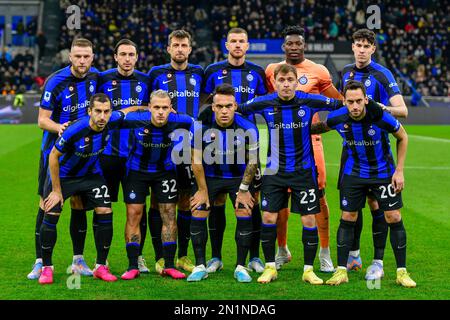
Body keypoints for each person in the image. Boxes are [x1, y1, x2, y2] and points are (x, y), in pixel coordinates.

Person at [239, 64, 346, 284]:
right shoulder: (265, 102)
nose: (286, 84)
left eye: (290, 80)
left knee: (308, 219)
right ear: (275, 82)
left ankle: (308, 270)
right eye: (282, 80)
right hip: (274, 172)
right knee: (269, 217)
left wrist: (328, 125)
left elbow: (340, 105)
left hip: (304, 172)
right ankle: (270, 267)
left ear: (296, 82)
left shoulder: (309, 100)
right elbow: (237, 109)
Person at [310, 80, 416, 288]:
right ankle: (341, 271)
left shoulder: (380, 117)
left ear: (366, 99)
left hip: (383, 172)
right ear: (345, 102)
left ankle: (401, 272)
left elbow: (402, 136)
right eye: (350, 102)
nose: (355, 106)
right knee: (348, 216)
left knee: (393, 216)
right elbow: (320, 128)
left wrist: (400, 171)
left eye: (359, 101)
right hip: (354, 173)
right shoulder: (337, 117)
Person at [38, 93, 140, 284]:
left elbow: (127, 111)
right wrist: (57, 190)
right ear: (89, 111)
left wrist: (147, 107)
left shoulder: (112, 120)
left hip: (91, 175)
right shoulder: (75, 130)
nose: (103, 116)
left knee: (105, 210)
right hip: (65, 175)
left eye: (106, 112)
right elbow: (53, 156)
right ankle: (47, 268)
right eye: (98, 112)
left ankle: (101, 266)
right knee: (51, 212)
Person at [265, 26, 343, 272]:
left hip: (311, 143)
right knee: (280, 197)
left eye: (299, 43)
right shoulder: (271, 71)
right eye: (290, 43)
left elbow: (340, 102)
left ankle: (324, 252)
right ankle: (282, 249)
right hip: (278, 143)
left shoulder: (318, 71)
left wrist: (325, 126)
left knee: (318, 195)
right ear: (284, 46)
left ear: (304, 45)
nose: (295, 47)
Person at [340, 29, 408, 278]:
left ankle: (377, 261)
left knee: (377, 205)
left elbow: (402, 111)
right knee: (351, 208)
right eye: (357, 44)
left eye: (366, 46)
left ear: (372, 49)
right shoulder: (345, 73)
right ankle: (354, 255)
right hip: (351, 154)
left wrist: (381, 107)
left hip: (378, 153)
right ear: (353, 47)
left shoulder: (382, 74)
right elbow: (343, 107)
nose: (361, 49)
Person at [28, 38, 98, 280]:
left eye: (86, 56)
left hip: (83, 155)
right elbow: (41, 120)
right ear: (69, 56)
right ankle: (40, 262)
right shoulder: (55, 81)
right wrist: (60, 127)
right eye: (77, 56)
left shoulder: (95, 77)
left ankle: (78, 260)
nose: (81, 61)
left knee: (79, 204)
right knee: (47, 203)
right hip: (54, 154)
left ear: (92, 57)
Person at [202, 27, 267, 274]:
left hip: (248, 143)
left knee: (252, 202)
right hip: (218, 146)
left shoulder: (257, 73)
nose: (237, 45)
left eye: (241, 41)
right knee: (217, 202)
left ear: (247, 45)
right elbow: (205, 106)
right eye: (233, 41)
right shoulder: (212, 71)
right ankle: (216, 257)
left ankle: (254, 257)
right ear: (226, 45)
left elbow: (264, 104)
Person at [188, 83, 259, 283]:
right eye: (219, 106)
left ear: (235, 106)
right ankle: (200, 265)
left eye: (228, 106)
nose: (224, 110)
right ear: (213, 107)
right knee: (198, 208)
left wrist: (244, 189)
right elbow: (196, 160)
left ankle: (240, 266)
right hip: (209, 176)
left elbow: (253, 161)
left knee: (244, 210)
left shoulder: (248, 128)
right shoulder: (201, 125)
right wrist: (202, 190)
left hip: (238, 177)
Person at [120, 90, 193, 280]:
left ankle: (169, 265)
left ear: (171, 109)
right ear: (150, 108)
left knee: (169, 215)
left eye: (165, 108)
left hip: (165, 172)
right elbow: (113, 116)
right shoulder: (135, 119)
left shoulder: (182, 121)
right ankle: (132, 265)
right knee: (134, 215)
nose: (161, 112)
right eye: (157, 107)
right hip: (136, 171)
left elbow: (199, 126)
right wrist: (137, 107)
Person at [148, 30, 204, 274]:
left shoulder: (200, 73)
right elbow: (148, 104)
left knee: (184, 202)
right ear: (168, 48)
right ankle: (160, 257)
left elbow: (208, 99)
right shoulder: (156, 74)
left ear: (190, 49)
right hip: (160, 146)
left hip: (188, 148)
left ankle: (182, 255)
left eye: (184, 45)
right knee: (156, 203)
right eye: (175, 45)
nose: (180, 49)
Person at [97, 39, 151, 274]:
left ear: (137, 57)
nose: (127, 59)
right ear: (115, 57)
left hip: (135, 156)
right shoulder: (103, 79)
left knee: (137, 209)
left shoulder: (145, 81)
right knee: (103, 208)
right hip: (107, 156)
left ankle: (138, 257)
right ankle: (103, 259)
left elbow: (151, 109)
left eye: (131, 54)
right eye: (123, 54)